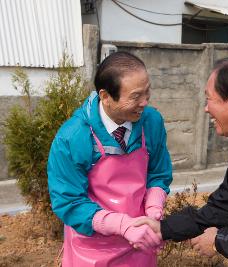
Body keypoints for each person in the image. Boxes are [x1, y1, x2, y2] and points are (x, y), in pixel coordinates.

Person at [134, 56, 228, 265]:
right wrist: (164, 228)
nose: (206, 108)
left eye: (209, 98)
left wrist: (219, 241)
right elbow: (224, 205)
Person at [47, 52, 172, 266]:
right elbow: (70, 202)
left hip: (140, 240)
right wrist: (122, 224)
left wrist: (153, 212)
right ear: (105, 96)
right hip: (92, 248)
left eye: (147, 92)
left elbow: (158, 174)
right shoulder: (72, 138)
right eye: (135, 96)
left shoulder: (151, 122)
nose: (144, 102)